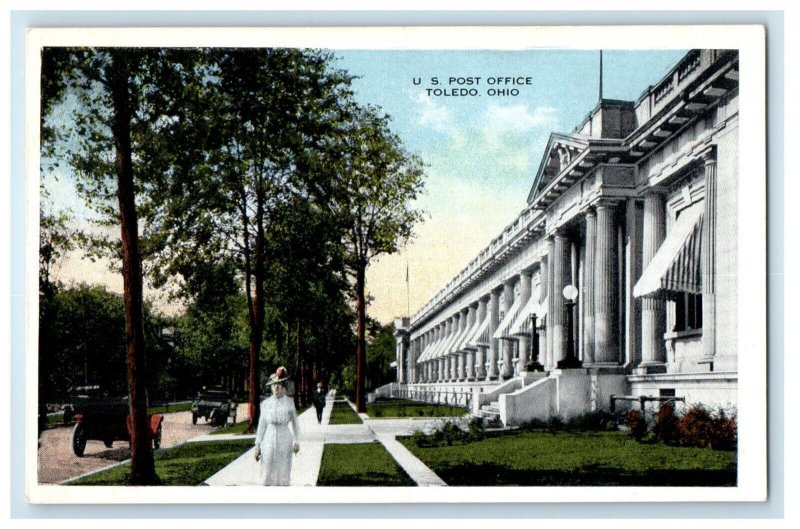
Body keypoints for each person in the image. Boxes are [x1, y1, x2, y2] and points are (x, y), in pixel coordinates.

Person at [254, 366, 300, 486]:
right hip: (269, 437)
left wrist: (296, 441)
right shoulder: (265, 404)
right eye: (274, 385)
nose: (276, 387)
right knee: (267, 467)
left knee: (283, 469)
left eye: (279, 384)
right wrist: (257, 445)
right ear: (270, 386)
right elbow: (262, 425)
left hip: (284, 435)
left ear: (283, 386)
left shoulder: (289, 402)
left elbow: (295, 423)